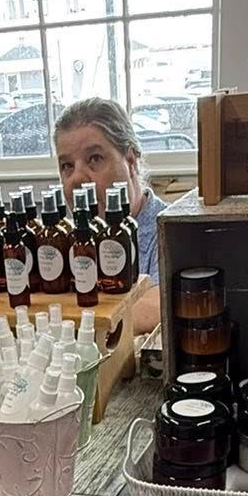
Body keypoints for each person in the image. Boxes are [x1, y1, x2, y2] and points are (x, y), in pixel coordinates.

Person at [52, 97, 162, 333]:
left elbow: (158, 308)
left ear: (131, 161)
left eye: (94, 158)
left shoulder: (167, 231)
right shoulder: (64, 241)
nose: (77, 179)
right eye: (67, 166)